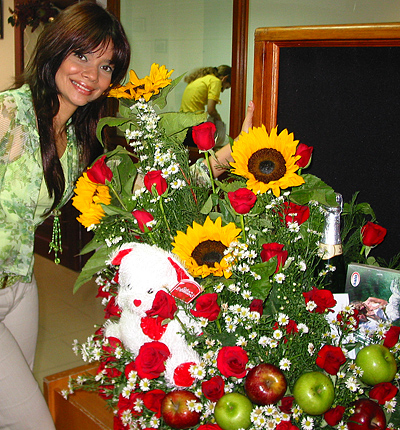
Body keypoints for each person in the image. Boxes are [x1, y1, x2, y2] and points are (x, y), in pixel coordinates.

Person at [0, 2, 130, 429]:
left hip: (20, 285)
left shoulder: (76, 139)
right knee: (32, 421)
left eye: (107, 66)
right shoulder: (9, 115)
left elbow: (129, 199)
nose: (92, 75)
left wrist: (216, 163)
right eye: (82, 55)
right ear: (57, 51)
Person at [180, 65, 231, 147]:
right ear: (225, 78)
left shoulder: (203, 79)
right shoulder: (216, 81)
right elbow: (211, 110)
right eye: (226, 87)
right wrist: (219, 121)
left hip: (182, 124)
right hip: (194, 125)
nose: (222, 91)